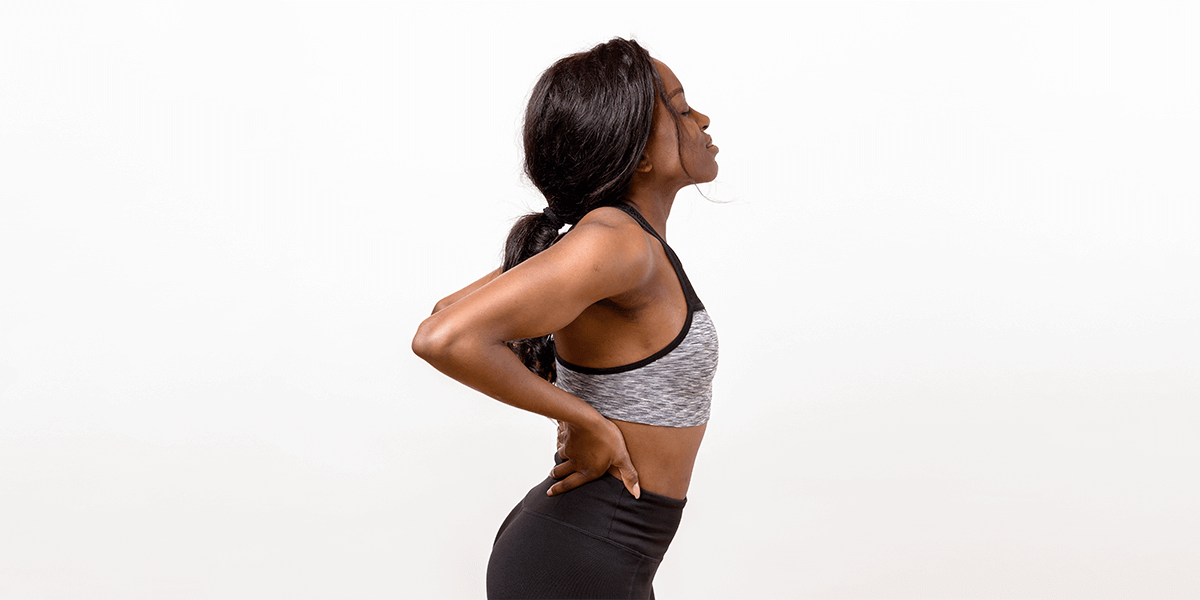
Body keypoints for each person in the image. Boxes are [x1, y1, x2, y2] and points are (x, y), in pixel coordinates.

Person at [412, 37, 720, 599]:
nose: (701, 118)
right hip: (580, 558)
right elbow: (443, 335)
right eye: (678, 107)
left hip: (601, 552)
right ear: (639, 153)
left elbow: (451, 312)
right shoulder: (616, 241)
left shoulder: (613, 241)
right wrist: (588, 419)